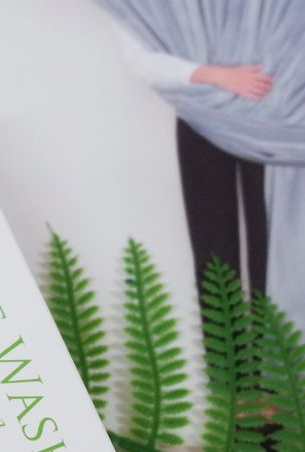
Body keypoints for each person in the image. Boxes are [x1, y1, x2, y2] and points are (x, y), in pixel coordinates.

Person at [113, 23, 273, 297]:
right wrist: (215, 75)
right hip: (200, 115)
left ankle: (275, 325)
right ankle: (224, 327)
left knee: (274, 243)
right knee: (213, 248)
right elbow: (139, 59)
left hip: (270, 112)